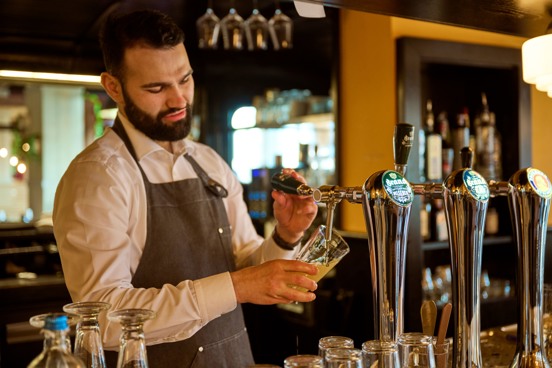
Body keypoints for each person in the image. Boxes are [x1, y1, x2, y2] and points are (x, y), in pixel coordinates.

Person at [52, 8, 319, 367]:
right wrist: (236, 286)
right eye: (156, 87)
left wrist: (286, 236)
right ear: (113, 87)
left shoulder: (209, 162)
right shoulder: (98, 177)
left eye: (185, 79)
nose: (179, 100)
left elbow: (248, 263)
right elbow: (103, 318)